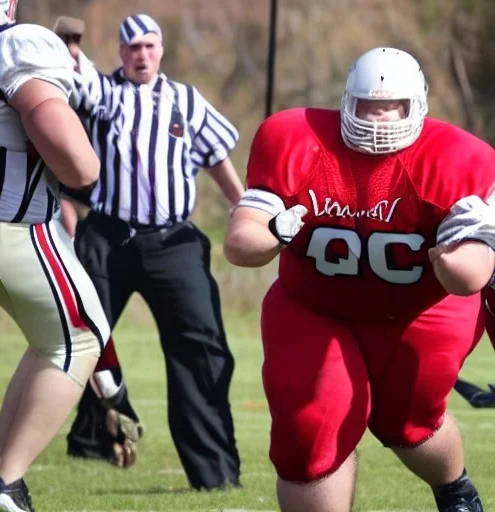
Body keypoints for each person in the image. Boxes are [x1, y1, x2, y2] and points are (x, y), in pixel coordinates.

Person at [223, 46, 494, 511]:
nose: (380, 119)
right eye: (368, 106)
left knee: (408, 423)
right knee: (310, 430)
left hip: (423, 308)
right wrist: (272, 231)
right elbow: (240, 242)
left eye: (393, 107)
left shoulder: (456, 159)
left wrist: (452, 260)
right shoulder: (297, 139)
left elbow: (471, 272)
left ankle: (455, 491)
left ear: (419, 107)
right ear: (346, 101)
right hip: (313, 304)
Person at [57, 13, 243, 489]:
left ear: (161, 50)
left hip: (172, 242)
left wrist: (244, 208)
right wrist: (70, 50)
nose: (141, 55)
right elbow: (78, 80)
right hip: (108, 236)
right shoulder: (105, 94)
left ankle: (215, 473)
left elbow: (218, 156)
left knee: (203, 352)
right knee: (81, 336)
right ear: (121, 54)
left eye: (149, 46)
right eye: (132, 47)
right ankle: (95, 438)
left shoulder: (187, 101)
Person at [0, 1, 109, 511]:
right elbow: (73, 157)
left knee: (49, 342)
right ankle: (7, 481)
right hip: (7, 226)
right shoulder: (12, 43)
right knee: (82, 339)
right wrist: (84, 169)